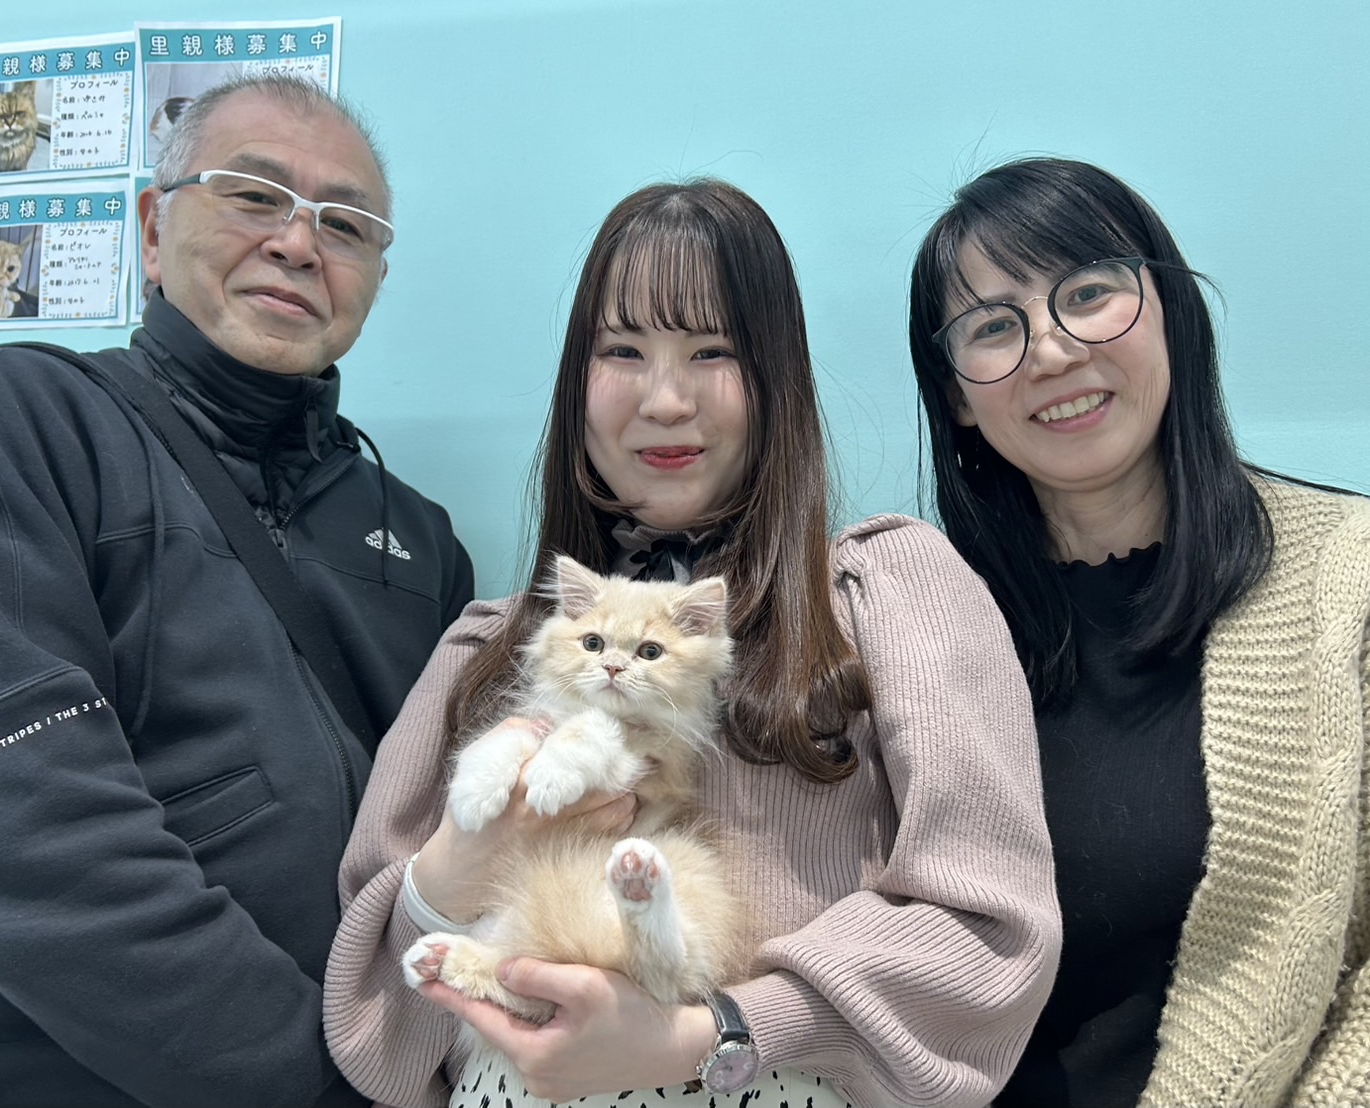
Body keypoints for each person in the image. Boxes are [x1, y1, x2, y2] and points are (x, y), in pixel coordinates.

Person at [323, 178, 1061, 1107]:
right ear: (576, 381)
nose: (666, 400)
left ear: (776, 380)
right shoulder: (485, 653)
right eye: (622, 350)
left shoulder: (887, 597)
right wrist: (456, 869)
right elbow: (378, 1045)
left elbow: (990, 931)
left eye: (712, 351)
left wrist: (719, 1032)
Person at [0, 74, 474, 1107]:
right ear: (153, 231)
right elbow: (9, 831)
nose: (298, 243)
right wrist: (323, 1087)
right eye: (254, 196)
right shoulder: (15, 422)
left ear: (375, 278)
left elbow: (448, 847)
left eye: (344, 224)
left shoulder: (420, 543)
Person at [907, 156, 1370, 1107]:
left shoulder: (1346, 581)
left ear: (1169, 309)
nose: (1050, 350)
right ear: (955, 396)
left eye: (1087, 293)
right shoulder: (911, 626)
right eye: (993, 326)